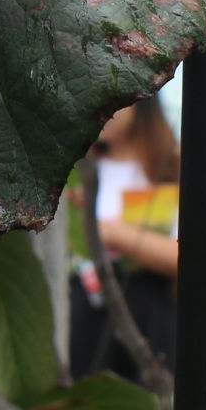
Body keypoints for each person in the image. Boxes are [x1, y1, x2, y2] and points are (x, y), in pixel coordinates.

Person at [68, 98, 181, 384]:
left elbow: (185, 259)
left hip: (151, 316)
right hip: (87, 314)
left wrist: (111, 232)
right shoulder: (78, 170)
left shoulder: (170, 168)